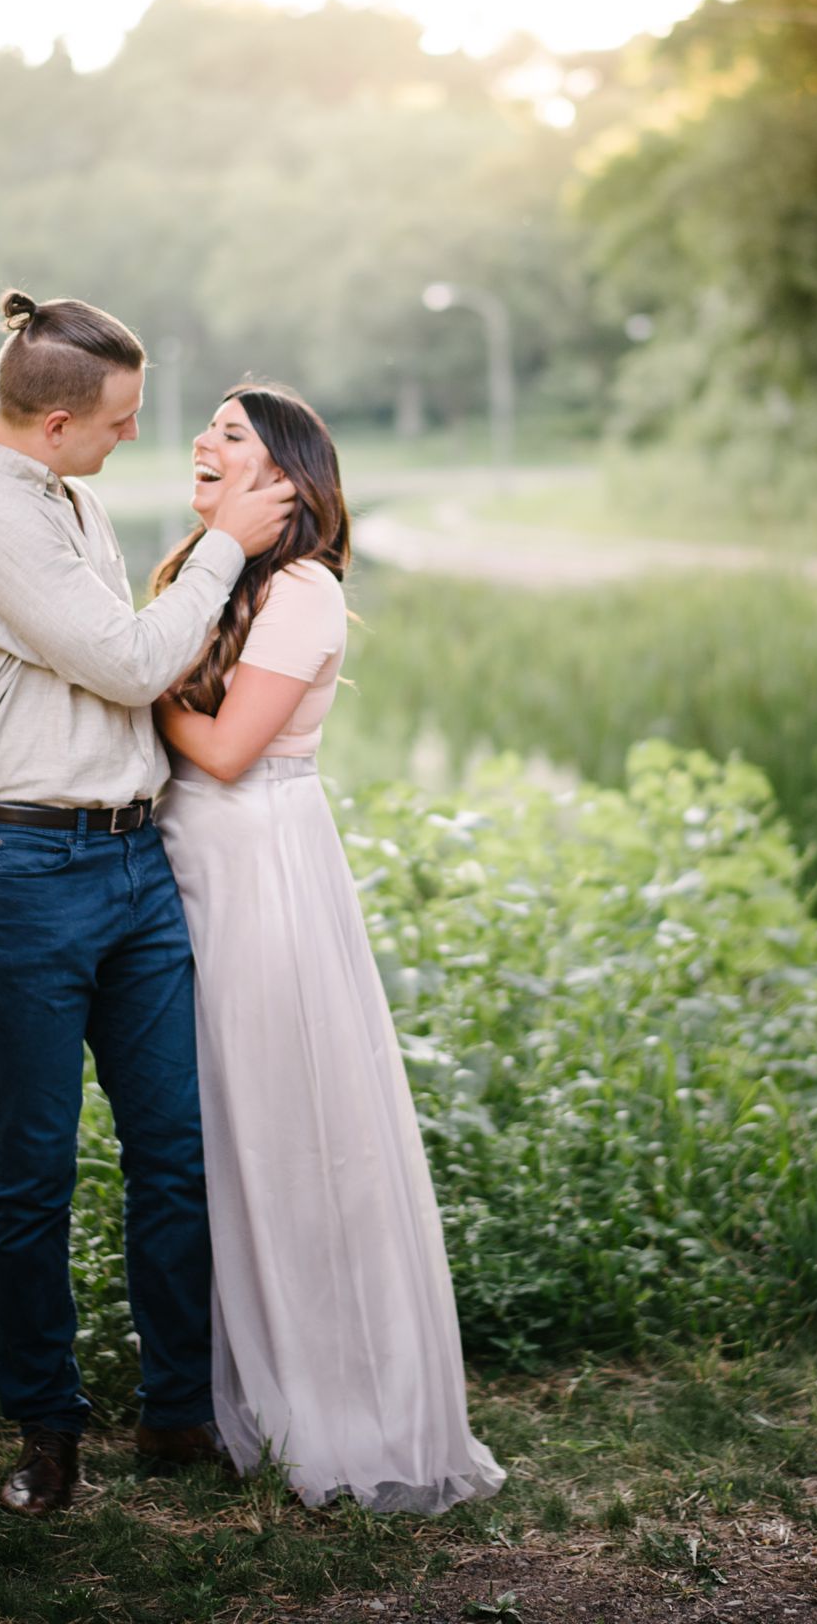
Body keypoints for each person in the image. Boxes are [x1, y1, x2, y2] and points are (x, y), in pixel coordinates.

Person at [0, 292, 294, 1518]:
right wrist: (231, 541)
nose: (135, 439)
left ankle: (177, 1411)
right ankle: (48, 1431)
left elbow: (132, 667)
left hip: (133, 869)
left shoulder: (70, 498)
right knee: (35, 1166)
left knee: (172, 1151)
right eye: (122, 420)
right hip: (21, 873)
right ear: (61, 416)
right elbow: (134, 662)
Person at [152, 382, 505, 1513]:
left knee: (286, 1126)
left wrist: (129, 675)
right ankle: (246, 1382)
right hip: (202, 865)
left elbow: (222, 749)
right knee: (227, 1134)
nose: (205, 439)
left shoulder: (300, 588)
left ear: (288, 479)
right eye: (206, 426)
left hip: (258, 868)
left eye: (233, 432)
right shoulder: (216, 569)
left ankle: (338, 1395)